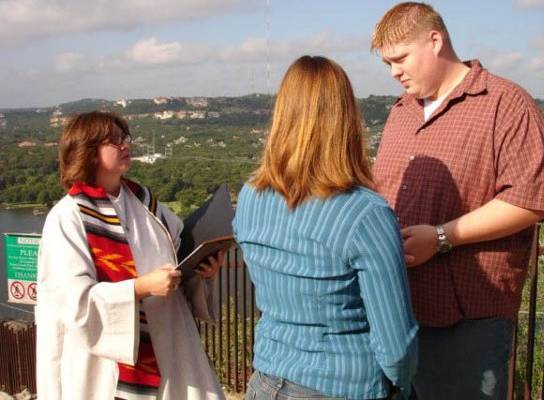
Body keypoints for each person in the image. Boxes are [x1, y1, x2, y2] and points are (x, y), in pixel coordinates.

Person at [370, 3, 544, 399]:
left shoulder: (505, 103)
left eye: (401, 58)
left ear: (435, 41)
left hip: (467, 320)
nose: (394, 72)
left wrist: (441, 237)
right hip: (397, 310)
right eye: (388, 63)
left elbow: (532, 199)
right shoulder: (401, 112)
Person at [233, 55, 418, 400]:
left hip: (266, 381)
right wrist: (402, 385)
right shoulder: (365, 213)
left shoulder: (249, 196)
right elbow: (395, 344)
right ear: (346, 118)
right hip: (343, 385)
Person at [35, 111, 226, 400]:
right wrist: (141, 288)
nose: (125, 144)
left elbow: (178, 254)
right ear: (88, 152)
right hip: (103, 365)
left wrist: (201, 270)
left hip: (168, 347)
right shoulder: (68, 217)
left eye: (124, 137)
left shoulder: (145, 202)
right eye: (113, 141)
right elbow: (73, 302)